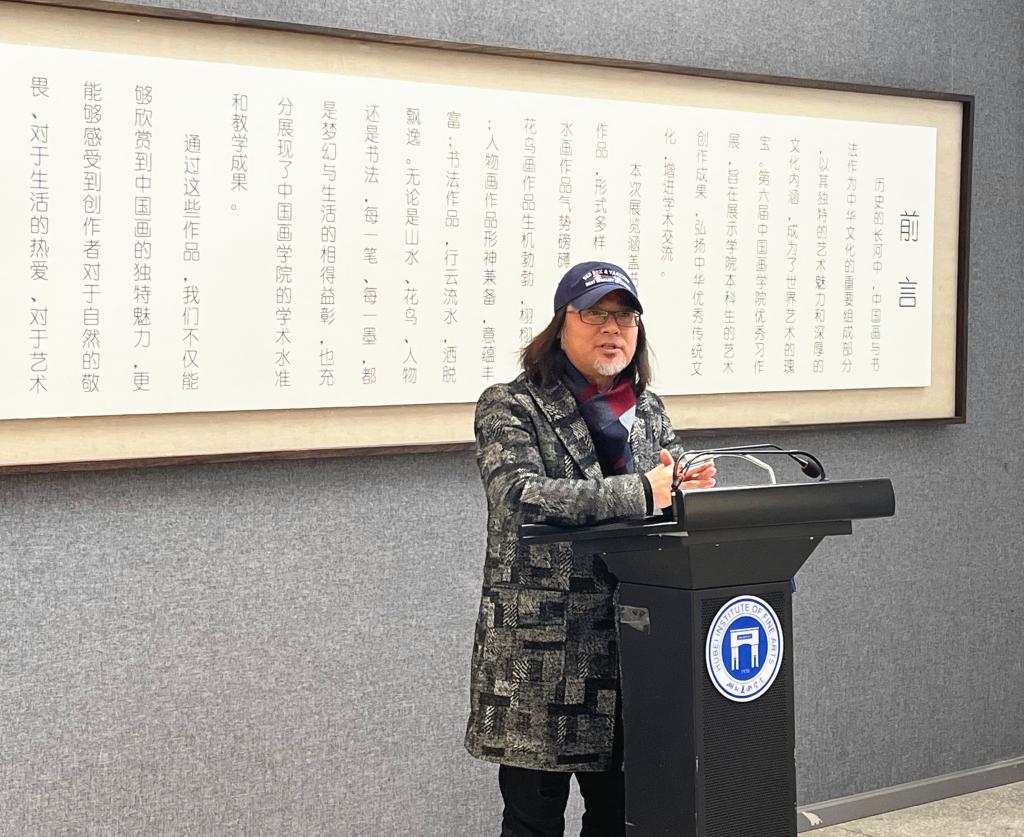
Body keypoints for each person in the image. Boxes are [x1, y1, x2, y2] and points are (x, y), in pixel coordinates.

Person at [465, 261, 716, 836]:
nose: (612, 329)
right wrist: (642, 491)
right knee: (532, 821)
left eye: (624, 317)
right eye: (595, 314)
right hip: (542, 651)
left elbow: (670, 476)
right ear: (561, 325)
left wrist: (689, 481)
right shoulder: (511, 404)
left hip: (635, 643)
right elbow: (518, 495)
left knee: (622, 818)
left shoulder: (646, 409)